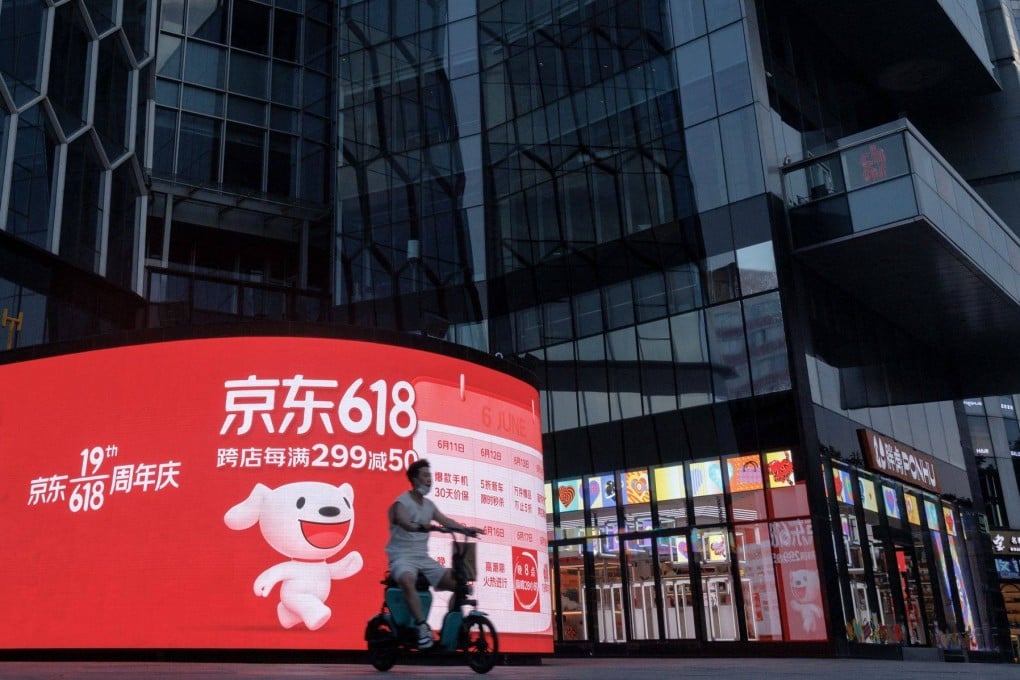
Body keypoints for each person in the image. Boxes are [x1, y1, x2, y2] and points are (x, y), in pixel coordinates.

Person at [386, 458, 483, 649]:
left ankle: (453, 632)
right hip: (401, 557)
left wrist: (467, 530)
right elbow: (404, 522)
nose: (429, 479)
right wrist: (422, 526)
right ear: (414, 479)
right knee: (407, 580)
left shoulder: (429, 505)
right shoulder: (401, 503)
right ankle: (422, 627)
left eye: (430, 475)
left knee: (459, 585)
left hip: (423, 559)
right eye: (425, 475)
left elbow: (446, 521)